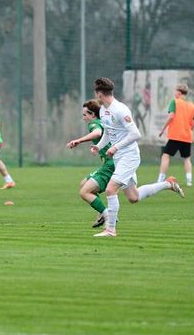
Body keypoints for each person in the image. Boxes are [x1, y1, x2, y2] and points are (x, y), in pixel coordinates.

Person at [90, 78, 185, 238]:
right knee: (133, 197)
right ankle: (168, 184)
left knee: (111, 189)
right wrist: (99, 146)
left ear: (99, 94)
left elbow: (135, 134)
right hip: (119, 157)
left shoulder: (120, 110)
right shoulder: (103, 111)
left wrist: (116, 147)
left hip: (129, 156)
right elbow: (108, 132)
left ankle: (110, 230)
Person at [66, 99, 114, 228]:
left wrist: (79, 140)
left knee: (84, 192)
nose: (83, 118)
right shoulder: (102, 122)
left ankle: (108, 215)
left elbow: (97, 133)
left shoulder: (94, 124)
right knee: (84, 183)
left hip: (110, 165)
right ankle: (103, 213)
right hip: (111, 163)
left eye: (85, 115)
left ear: (92, 114)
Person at [157, 83, 194, 186]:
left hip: (175, 135)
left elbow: (171, 116)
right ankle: (189, 181)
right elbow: (193, 123)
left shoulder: (175, 102)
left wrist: (162, 129)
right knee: (187, 158)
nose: (174, 93)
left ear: (179, 93)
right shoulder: (192, 106)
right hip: (187, 136)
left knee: (165, 156)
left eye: (175, 91)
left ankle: (160, 180)